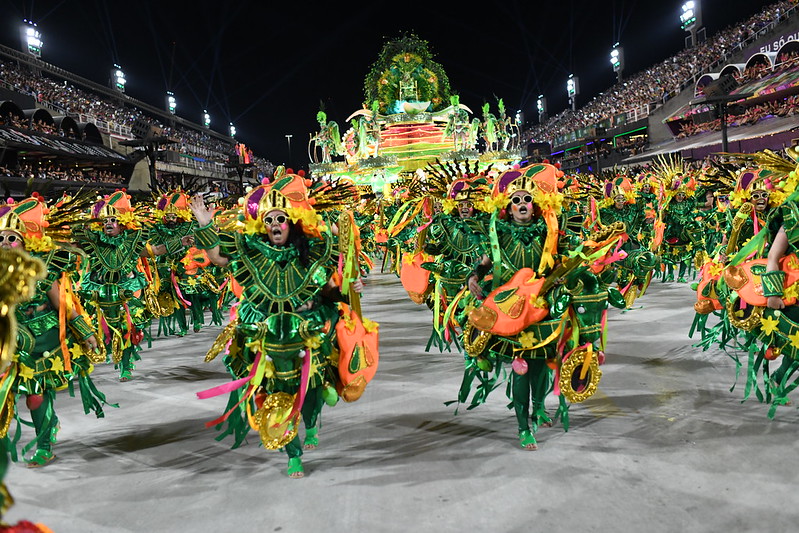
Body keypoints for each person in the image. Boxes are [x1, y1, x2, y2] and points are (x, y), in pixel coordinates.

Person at [190, 168, 374, 478]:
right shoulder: (252, 255)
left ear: (291, 223)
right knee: (275, 396)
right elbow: (219, 257)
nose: (275, 224)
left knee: (313, 394)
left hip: (305, 333)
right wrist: (205, 223)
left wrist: (347, 289)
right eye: (269, 220)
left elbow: (326, 291)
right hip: (269, 336)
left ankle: (312, 422)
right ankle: (294, 455)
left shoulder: (309, 254)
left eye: (281, 219)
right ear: (262, 225)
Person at [0, 195, 113, 468]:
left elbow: (64, 306)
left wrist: (86, 333)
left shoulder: (43, 270)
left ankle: (45, 444)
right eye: (0, 238)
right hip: (9, 343)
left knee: (35, 397)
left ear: (26, 241)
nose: (4, 243)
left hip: (42, 342)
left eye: (11, 238)